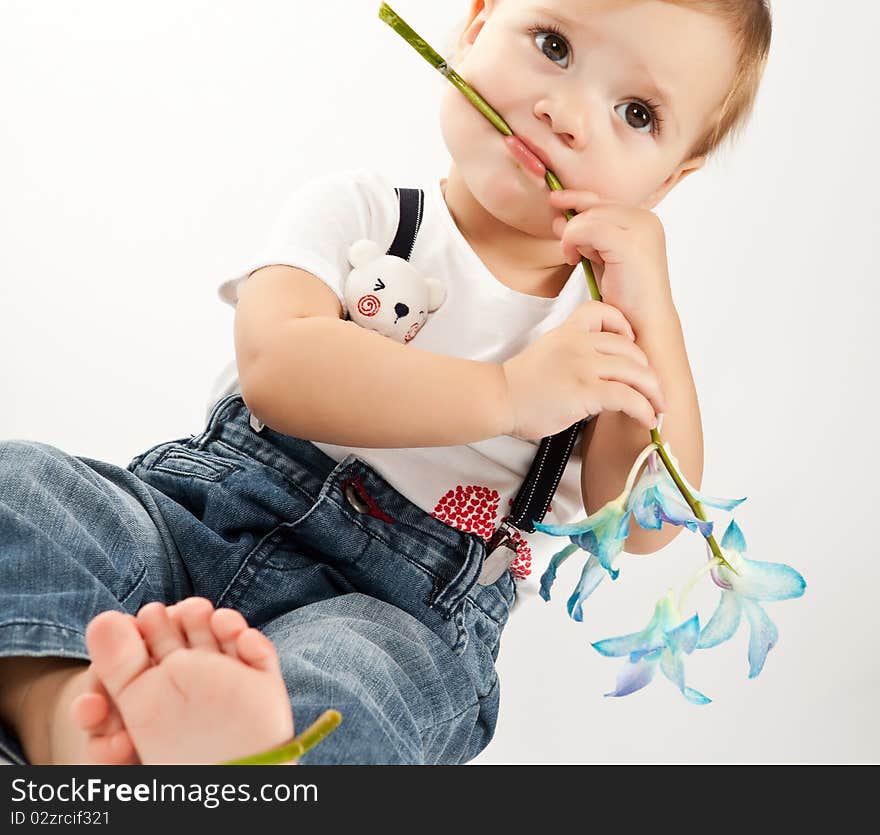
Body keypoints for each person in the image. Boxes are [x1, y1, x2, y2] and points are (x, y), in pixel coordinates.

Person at [0, 0, 771, 765]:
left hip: (393, 612)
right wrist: (507, 394)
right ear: (475, 28)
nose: (568, 115)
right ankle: (65, 706)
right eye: (553, 45)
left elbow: (644, 521)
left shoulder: (603, 334)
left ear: (669, 181)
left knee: (365, 683)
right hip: (193, 525)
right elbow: (277, 369)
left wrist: (651, 307)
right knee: (26, 488)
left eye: (636, 113)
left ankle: (239, 759)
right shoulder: (363, 213)